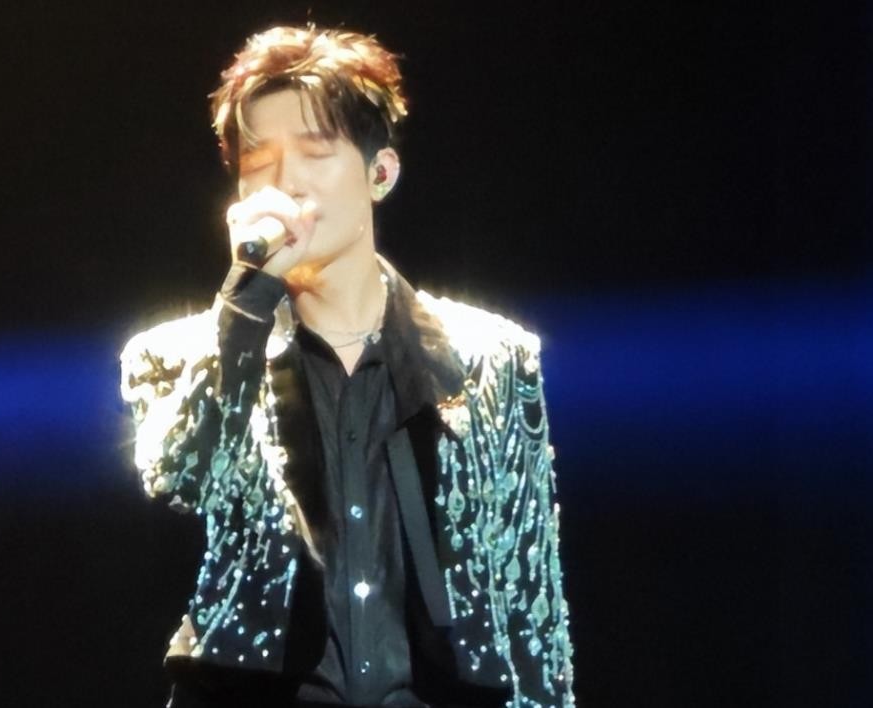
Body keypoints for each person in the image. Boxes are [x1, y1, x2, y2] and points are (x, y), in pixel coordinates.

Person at [120, 24, 574, 708]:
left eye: (315, 153)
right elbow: (182, 475)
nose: (285, 183)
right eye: (259, 161)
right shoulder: (176, 356)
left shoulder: (491, 358)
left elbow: (529, 602)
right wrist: (246, 303)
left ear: (380, 173)